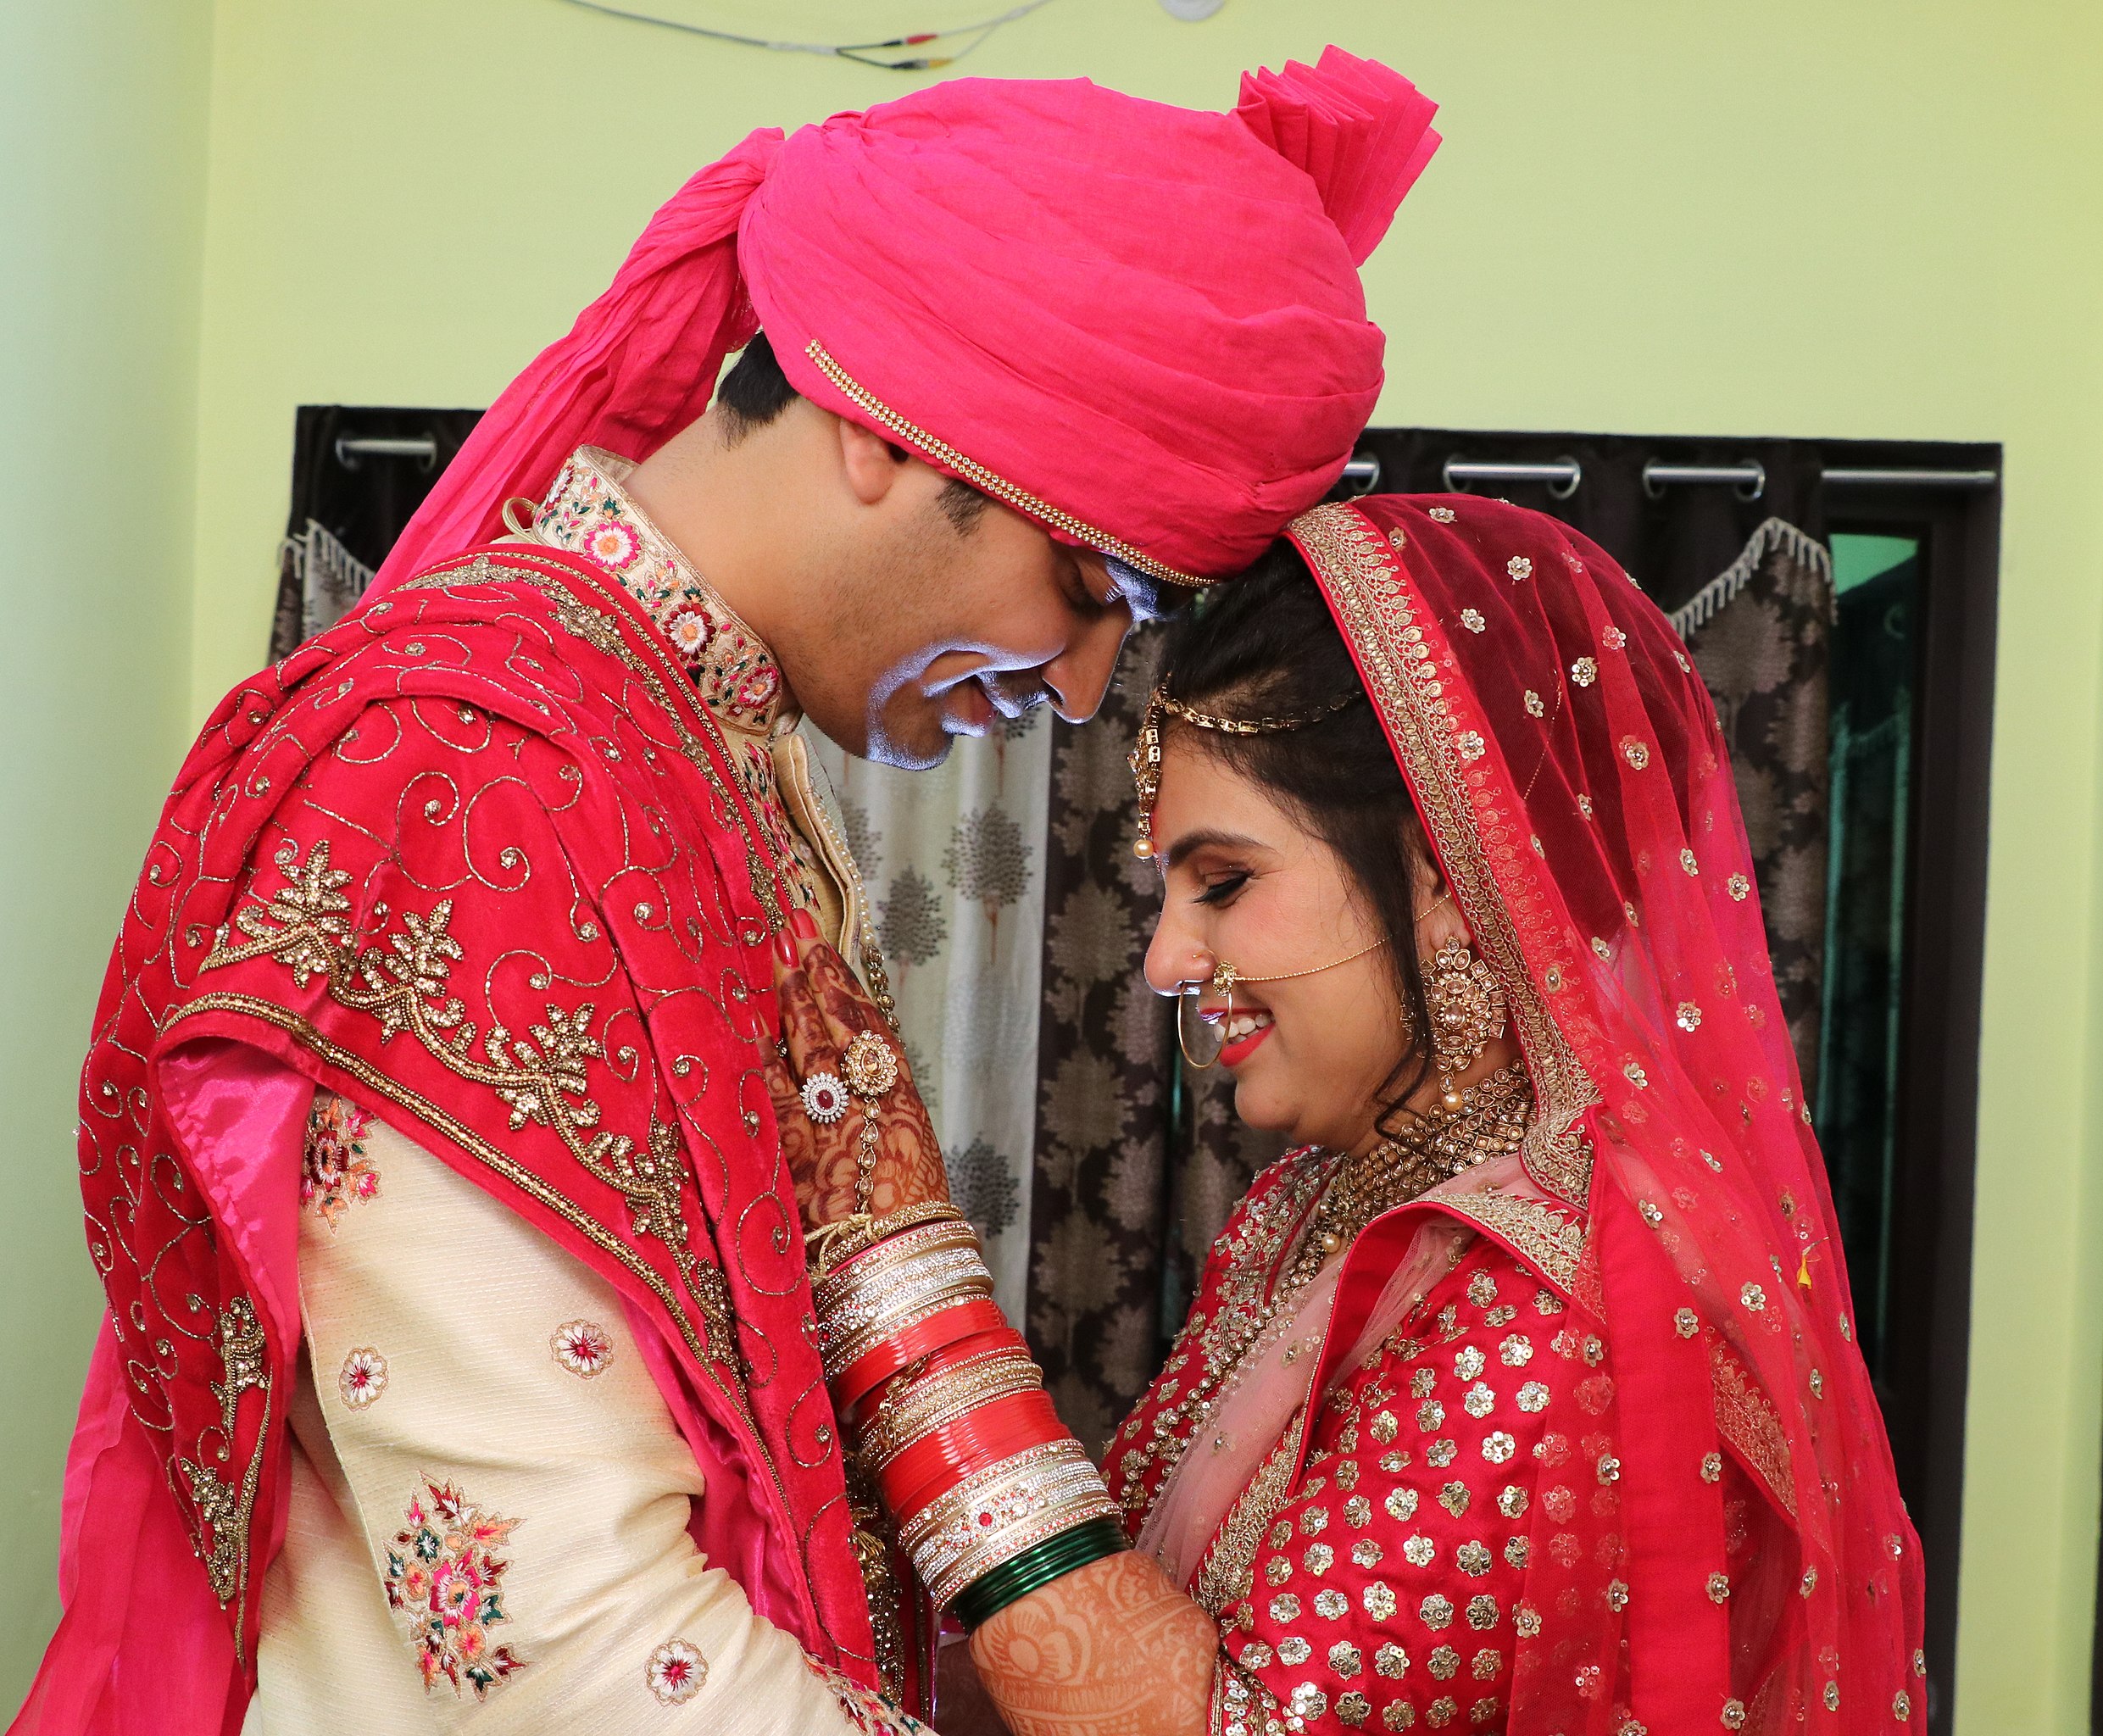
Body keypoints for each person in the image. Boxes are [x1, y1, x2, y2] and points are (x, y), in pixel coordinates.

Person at [13, 51, 1442, 1736]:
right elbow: (558, 1643)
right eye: (1088, 583)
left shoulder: (674, 752)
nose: (1076, 688)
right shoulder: (471, 773)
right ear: (880, 434)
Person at [949, 493, 1926, 1733]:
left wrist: (907, 1316)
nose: (1164, 961)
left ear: (1455, 877)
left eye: (1224, 883)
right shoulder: (1314, 1209)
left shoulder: (1555, 1298)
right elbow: (1116, 1593)